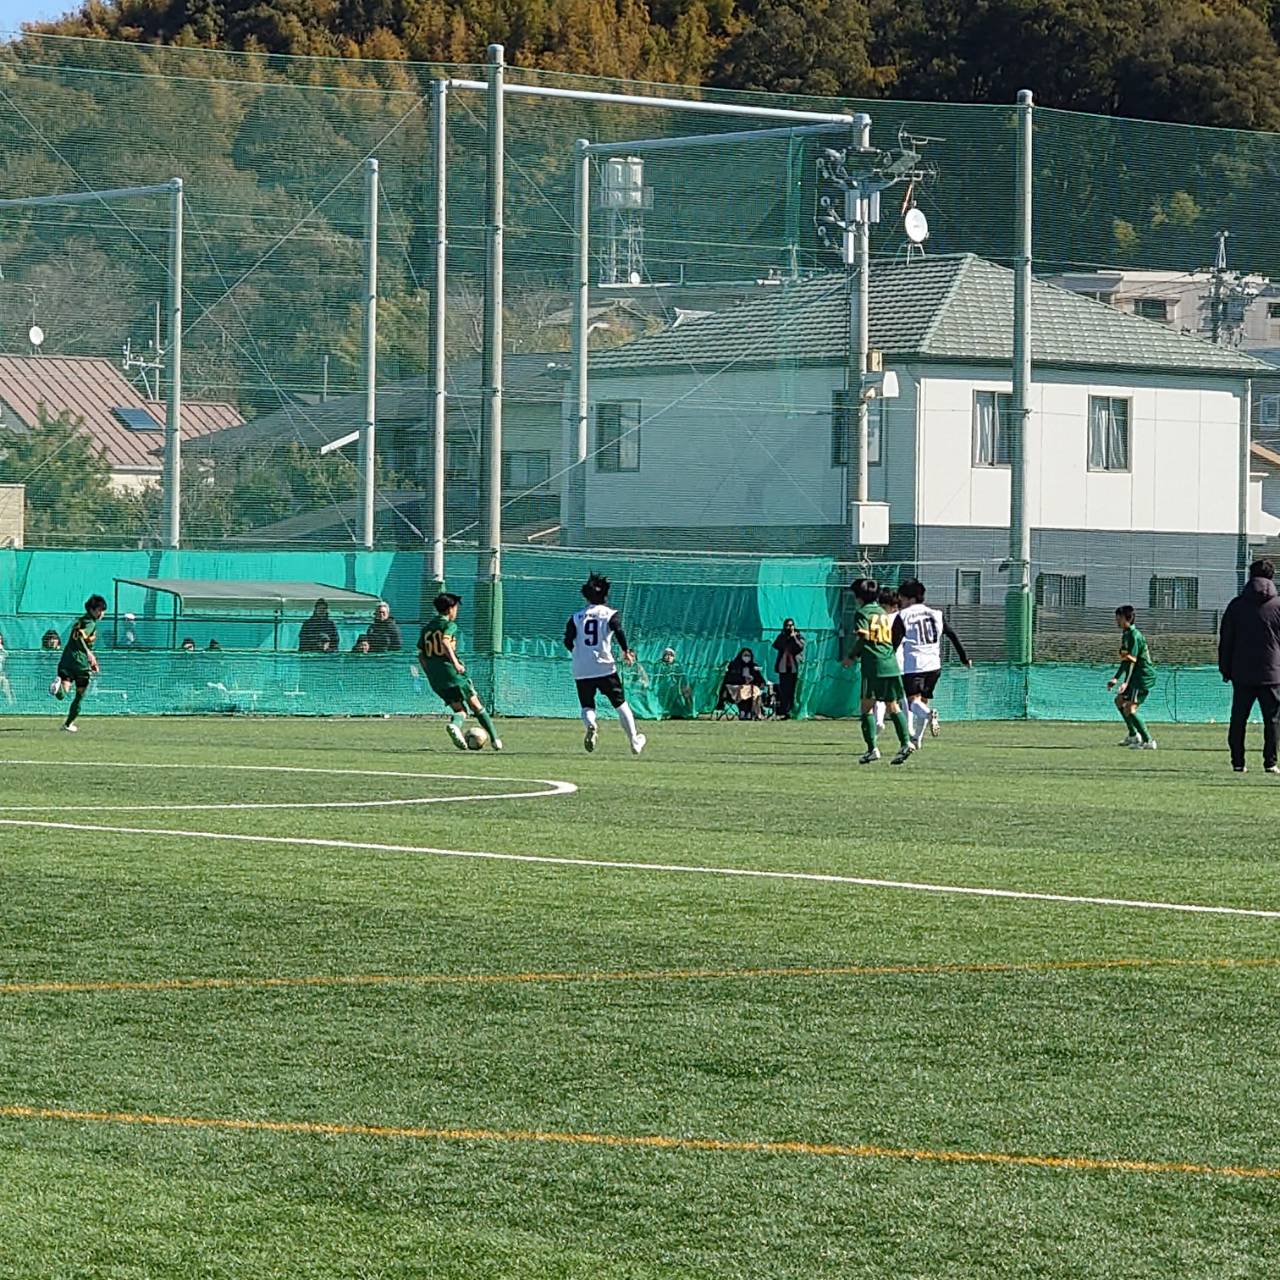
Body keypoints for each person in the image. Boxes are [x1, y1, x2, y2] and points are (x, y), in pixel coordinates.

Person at [564, 572, 646, 755]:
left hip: (582, 669)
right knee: (620, 704)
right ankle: (634, 741)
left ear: (586, 596)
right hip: (604, 667)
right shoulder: (609, 614)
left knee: (587, 705)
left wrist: (579, 654)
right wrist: (626, 651)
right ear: (605, 595)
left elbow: (567, 641)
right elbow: (618, 630)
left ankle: (591, 724)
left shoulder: (576, 617)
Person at [1217, 558, 1280, 774]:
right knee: (1273, 720)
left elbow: (1227, 639)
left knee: (1238, 719)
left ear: (1250, 576)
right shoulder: (1278, 605)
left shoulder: (1236, 605)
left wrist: (1225, 668)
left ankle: (1238, 762)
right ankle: (1270, 762)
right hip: (1272, 673)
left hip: (1242, 672)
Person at [418, 592, 503, 751]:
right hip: (452, 673)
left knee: (460, 710)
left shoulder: (427, 628)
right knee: (476, 705)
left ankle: (455, 725)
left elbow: (421, 655)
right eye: (456, 608)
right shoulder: (449, 625)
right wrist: (455, 663)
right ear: (450, 609)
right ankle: (495, 739)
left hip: (436, 678)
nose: (456, 611)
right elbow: (445, 642)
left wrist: (429, 673)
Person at [841, 577, 912, 765]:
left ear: (859, 596)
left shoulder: (862, 613)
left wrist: (851, 656)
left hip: (874, 665)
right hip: (890, 663)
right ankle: (906, 743)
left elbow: (863, 638)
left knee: (866, 708)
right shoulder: (882, 611)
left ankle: (872, 749)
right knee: (893, 705)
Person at [895, 578, 973, 748]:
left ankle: (930, 715)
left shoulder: (903, 615)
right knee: (923, 701)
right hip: (934, 665)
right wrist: (964, 657)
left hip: (914, 665)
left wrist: (887, 659)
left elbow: (894, 642)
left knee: (913, 703)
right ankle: (917, 739)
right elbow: (952, 635)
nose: (901, 602)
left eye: (902, 598)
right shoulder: (936, 614)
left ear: (910, 598)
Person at [49, 593, 106, 732]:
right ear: (92, 610)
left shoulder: (81, 620)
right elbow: (80, 636)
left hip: (67, 659)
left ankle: (57, 687)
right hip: (80, 663)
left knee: (63, 693)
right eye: (100, 610)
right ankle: (68, 724)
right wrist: (89, 654)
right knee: (80, 696)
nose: (102, 613)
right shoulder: (90, 622)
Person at [1107, 605, 1156, 750]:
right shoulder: (1126, 634)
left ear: (1126, 618)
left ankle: (1148, 741)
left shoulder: (1134, 635)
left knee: (1130, 708)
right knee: (1119, 701)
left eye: (1119, 618)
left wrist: (1125, 682)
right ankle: (1133, 735)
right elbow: (1126, 660)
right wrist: (1116, 678)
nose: (1116, 620)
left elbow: (1132, 662)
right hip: (1135, 676)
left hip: (1142, 676)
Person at [872, 586, 901, 734]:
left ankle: (878, 721)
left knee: (880, 696)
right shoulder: (901, 617)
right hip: (900, 663)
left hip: (882, 660)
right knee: (900, 699)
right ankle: (909, 729)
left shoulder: (878, 618)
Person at [771, 619, 805, 719]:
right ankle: (785, 711)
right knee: (784, 690)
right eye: (787, 625)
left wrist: (793, 637)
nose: (789, 628)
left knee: (794, 690)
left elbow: (800, 647)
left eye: (791, 625)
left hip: (794, 668)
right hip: (783, 668)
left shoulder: (799, 636)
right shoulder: (781, 636)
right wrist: (785, 638)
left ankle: (793, 710)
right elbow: (776, 645)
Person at [722, 647, 767, 720]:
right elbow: (730, 679)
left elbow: (760, 679)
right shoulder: (734, 666)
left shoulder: (753, 667)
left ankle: (751, 712)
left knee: (753, 691)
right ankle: (743, 711)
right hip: (736, 688)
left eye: (748, 655)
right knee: (743, 690)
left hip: (751, 689)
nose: (747, 657)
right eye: (745, 655)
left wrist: (754, 680)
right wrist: (743, 679)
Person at [655, 647, 694, 719]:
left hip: (676, 689)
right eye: (666, 655)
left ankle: (684, 712)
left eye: (671, 655)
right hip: (662, 689)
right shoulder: (659, 665)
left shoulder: (677, 666)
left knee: (685, 693)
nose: (668, 657)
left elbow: (683, 679)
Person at [0, 632, 12, 705]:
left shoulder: (4, 653)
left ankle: (10, 704)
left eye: (0, 639)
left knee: (5, 683)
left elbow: (6, 665)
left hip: (2, 675)